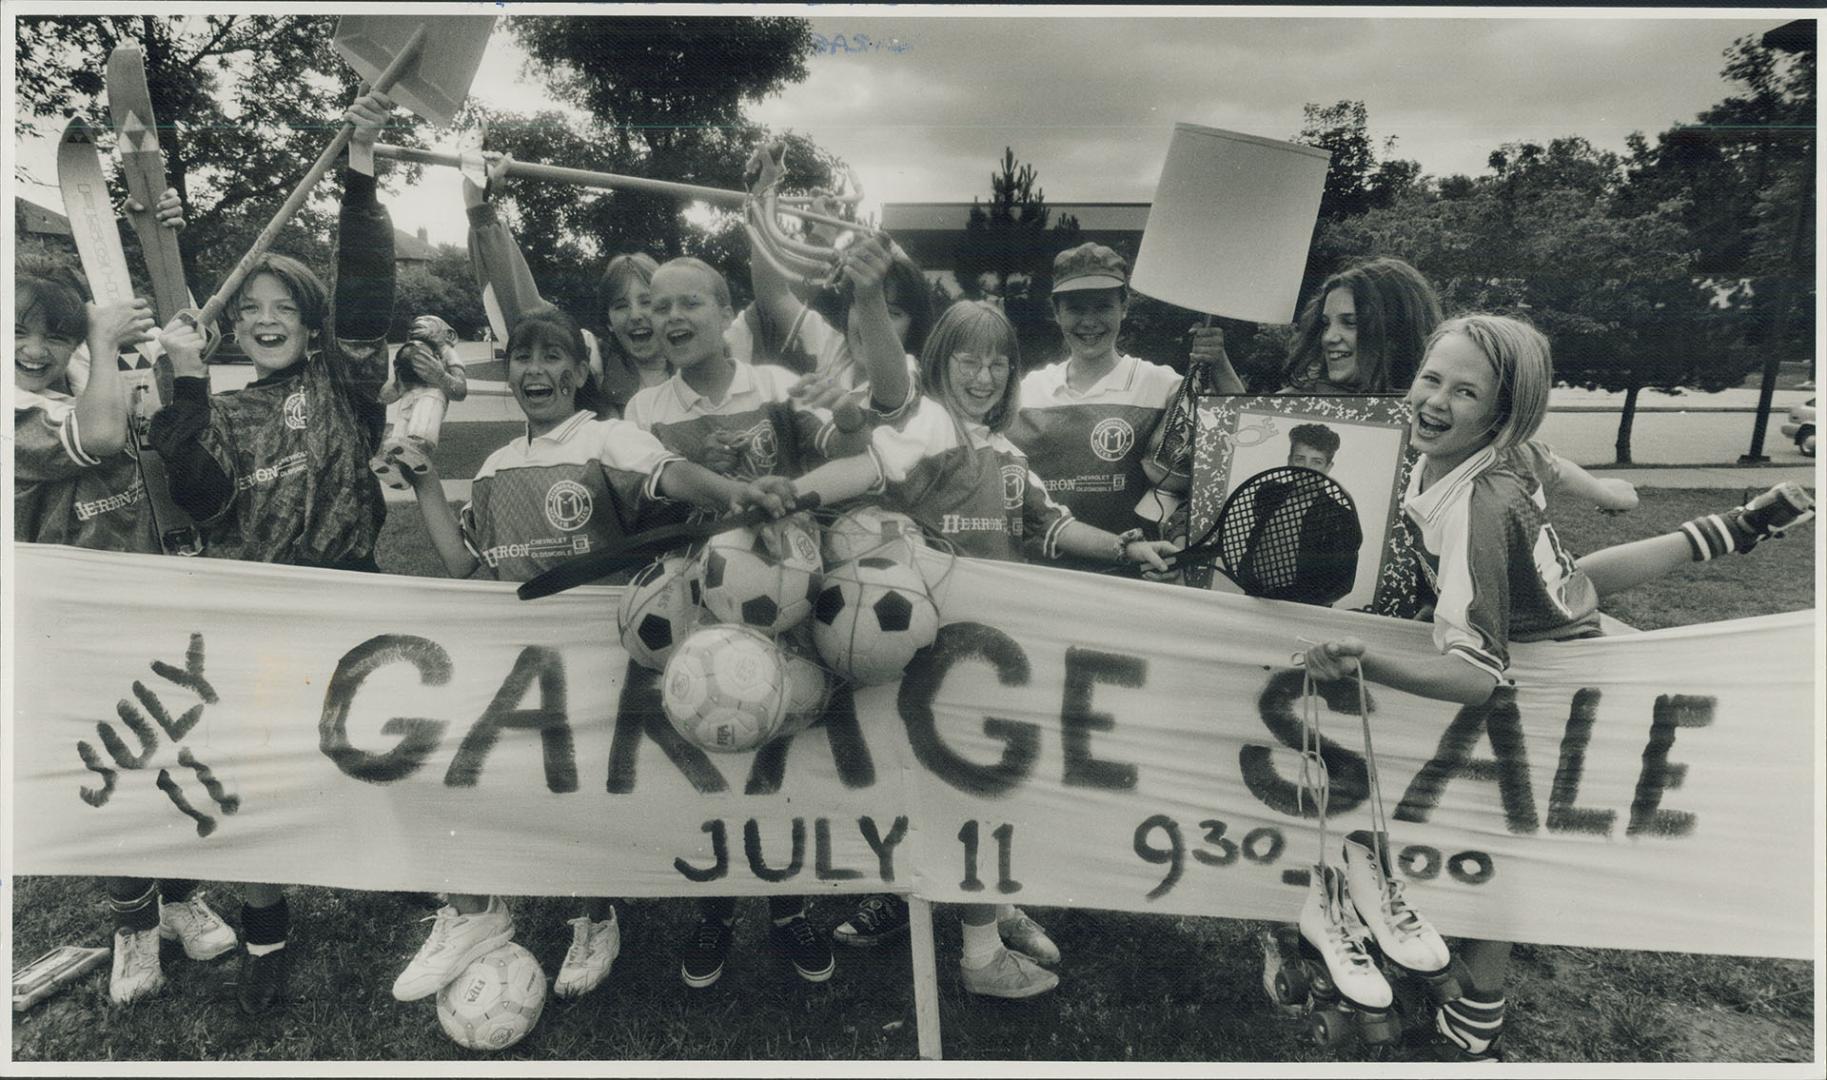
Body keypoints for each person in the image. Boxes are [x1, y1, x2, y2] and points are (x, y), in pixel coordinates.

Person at [1301, 314, 1814, 1061]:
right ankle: (1727, 530)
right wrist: (1607, 490)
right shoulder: (1490, 454)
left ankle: (1476, 1019)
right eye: (1431, 378)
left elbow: (1474, 678)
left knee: (1497, 845)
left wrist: (1364, 661)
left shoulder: (1478, 508)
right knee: (1578, 581)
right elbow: (1546, 466)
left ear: (1498, 416)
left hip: (1547, 667)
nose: (1436, 399)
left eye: (1464, 392)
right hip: (1553, 602)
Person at [769, 300, 1179, 997]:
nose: (984, 375)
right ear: (937, 363)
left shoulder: (1006, 453)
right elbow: (890, 394)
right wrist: (871, 301)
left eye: (998, 361)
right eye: (967, 358)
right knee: (932, 795)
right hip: (910, 663)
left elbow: (1050, 525)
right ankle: (977, 950)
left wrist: (1125, 545)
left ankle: (983, 908)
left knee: (979, 796)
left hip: (980, 664)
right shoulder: (918, 430)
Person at [395, 304, 787, 1003]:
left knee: (594, 792)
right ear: (507, 371)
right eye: (522, 358)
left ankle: (597, 914)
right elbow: (462, 565)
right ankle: (507, 912)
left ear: (578, 373)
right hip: (529, 666)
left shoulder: (607, 439)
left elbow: (675, 475)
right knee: (520, 782)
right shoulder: (492, 467)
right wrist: (425, 483)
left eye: (552, 358)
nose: (536, 370)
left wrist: (738, 493)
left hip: (610, 657)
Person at [148, 88, 399, 1016]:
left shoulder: (345, 379)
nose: (263, 316)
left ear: (309, 315)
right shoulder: (219, 407)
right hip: (256, 612)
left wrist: (363, 171)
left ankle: (440, 893)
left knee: (375, 761)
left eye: (281, 302)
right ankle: (267, 936)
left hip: (351, 598)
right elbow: (201, 490)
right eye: (247, 305)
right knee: (256, 771)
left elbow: (368, 287)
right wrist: (180, 383)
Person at [15, 240, 241, 1005]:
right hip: (76, 627)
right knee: (112, 768)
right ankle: (132, 927)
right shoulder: (14, 413)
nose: (37, 350)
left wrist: (154, 231)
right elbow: (100, 435)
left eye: (57, 333)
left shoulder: (88, 373)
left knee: (172, 751)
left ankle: (178, 899)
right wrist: (102, 344)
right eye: (18, 329)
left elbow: (151, 394)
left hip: (154, 600)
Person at [624, 255, 856, 992]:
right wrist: (728, 495)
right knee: (709, 762)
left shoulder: (779, 389)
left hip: (780, 612)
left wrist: (807, 471)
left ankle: (788, 907)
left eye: (690, 302)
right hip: (694, 617)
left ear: (727, 315)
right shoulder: (643, 410)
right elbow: (656, 494)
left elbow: (854, 463)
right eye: (658, 307)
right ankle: (715, 907)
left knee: (780, 764)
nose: (671, 318)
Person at [1148, 256, 1445, 516]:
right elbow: (1252, 437)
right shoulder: (1304, 399)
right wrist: (1218, 363)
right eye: (1326, 324)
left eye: (1350, 323)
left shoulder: (1432, 420)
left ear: (1394, 329)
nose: (1330, 337)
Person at [1005, 243, 1182, 574]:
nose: (1089, 322)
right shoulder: (1024, 394)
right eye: (1074, 309)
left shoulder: (1163, 386)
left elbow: (1224, 459)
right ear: (1057, 312)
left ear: (1124, 307)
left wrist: (1219, 366)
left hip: (1132, 585)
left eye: (1103, 307)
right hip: (1043, 581)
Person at [1236, 423, 1363, 604]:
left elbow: (1341, 584)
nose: (1306, 469)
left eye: (1316, 462)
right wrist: (1249, 581)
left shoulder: (1340, 517)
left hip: (1303, 611)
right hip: (1254, 599)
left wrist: (1291, 601)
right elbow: (1253, 545)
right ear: (1289, 461)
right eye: (1300, 459)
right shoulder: (1268, 494)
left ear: (1328, 467)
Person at [371, 314, 469, 488]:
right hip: (410, 395)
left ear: (449, 335)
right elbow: (385, 397)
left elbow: (460, 390)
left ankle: (419, 445)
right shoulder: (409, 353)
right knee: (400, 428)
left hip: (433, 394)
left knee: (427, 408)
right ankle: (394, 465)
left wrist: (440, 376)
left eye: (429, 323)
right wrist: (399, 381)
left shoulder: (446, 352)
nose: (419, 325)